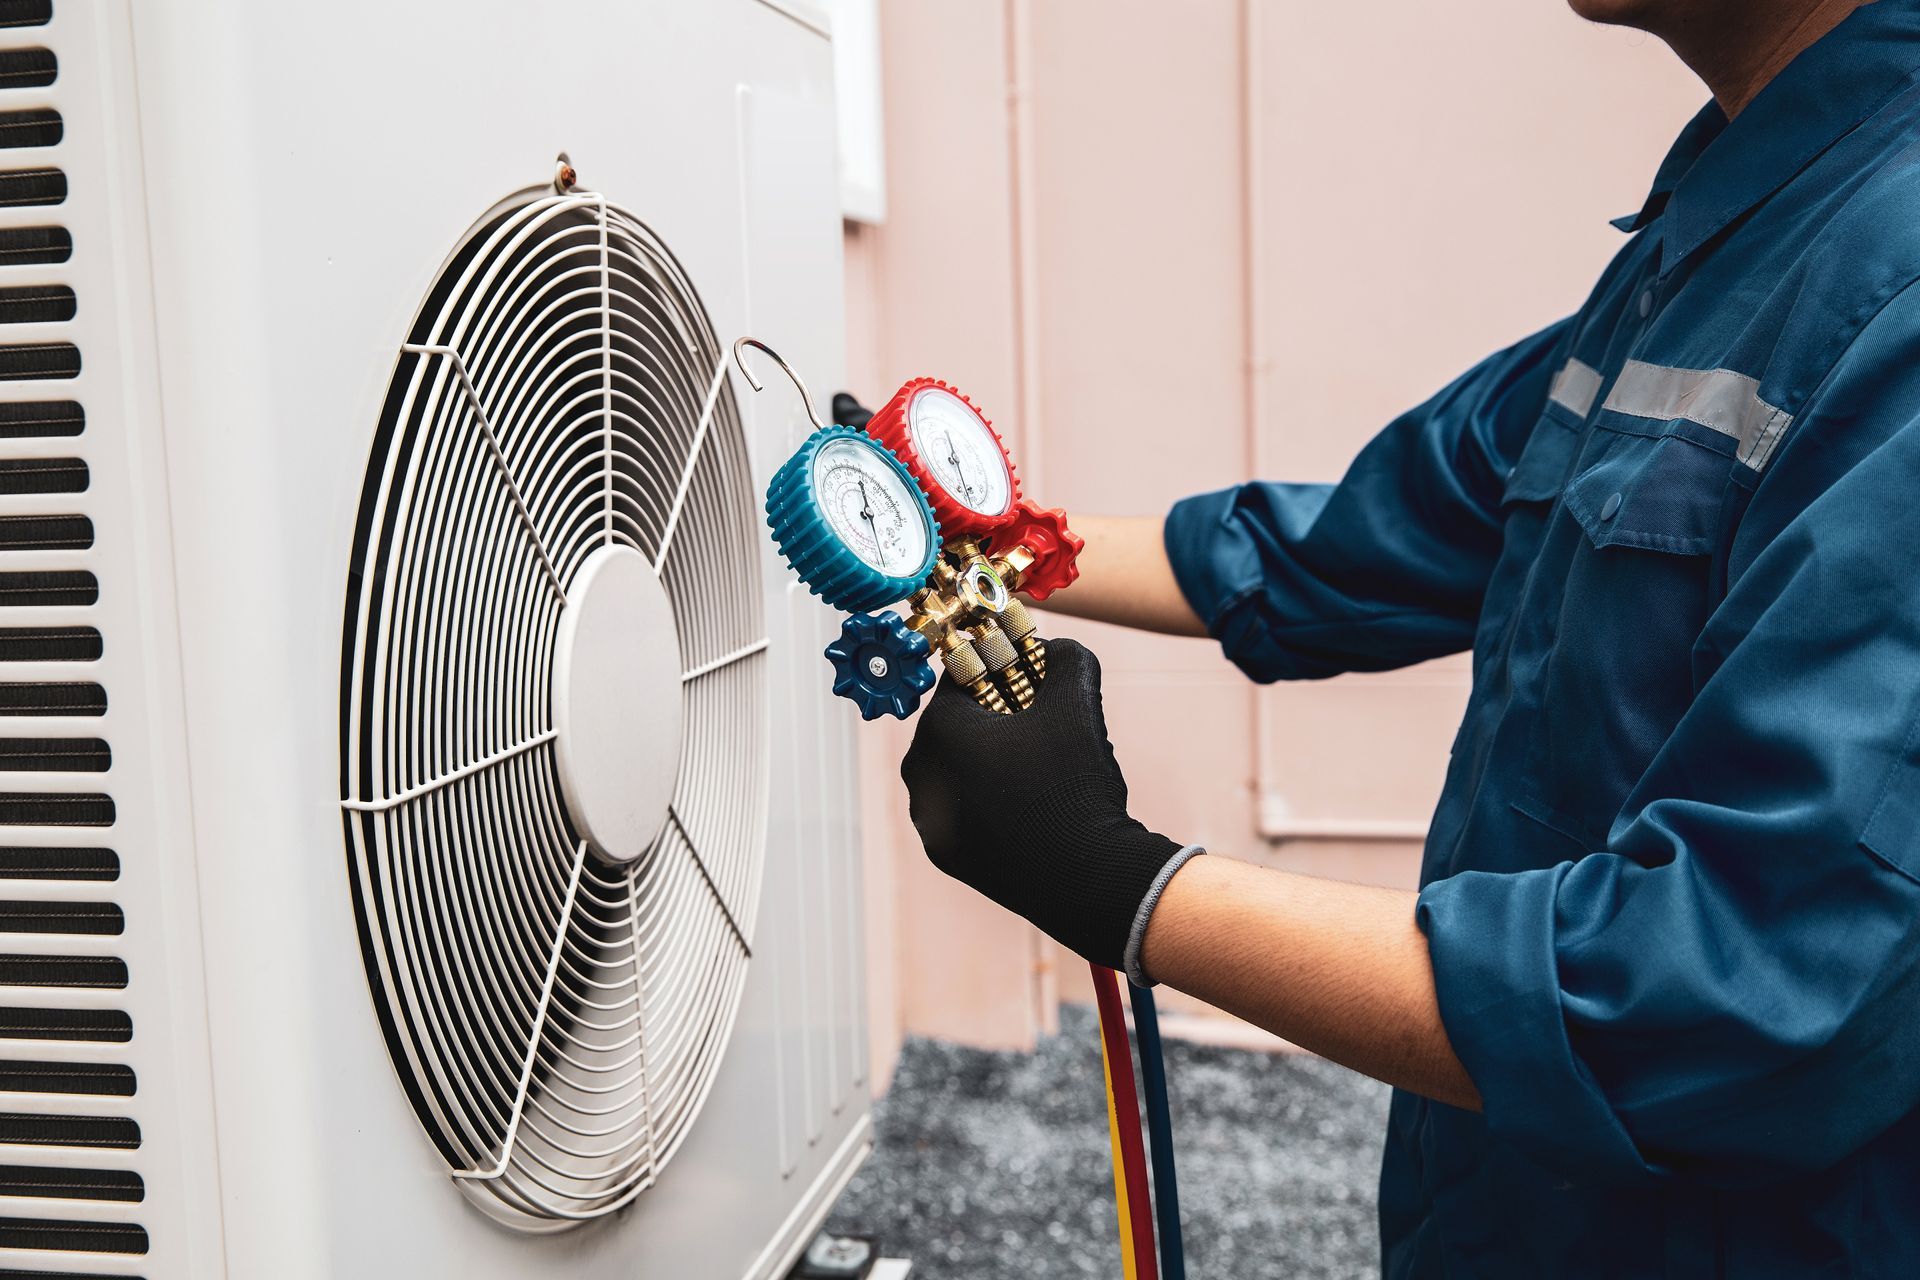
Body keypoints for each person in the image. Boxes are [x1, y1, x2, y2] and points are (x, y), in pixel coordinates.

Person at [895, 0, 1920, 1274]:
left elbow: (1743, 984)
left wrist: (1114, 880)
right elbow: (1363, 541)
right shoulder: (1729, 221)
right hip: (1500, 1201)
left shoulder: (1895, 273)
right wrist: (961, 534)